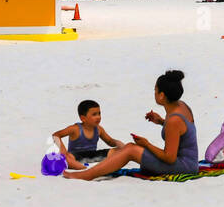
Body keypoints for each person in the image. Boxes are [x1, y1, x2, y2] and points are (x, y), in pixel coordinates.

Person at [65, 70, 197, 180]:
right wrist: (161, 122)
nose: (154, 93)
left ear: (162, 95)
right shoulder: (182, 106)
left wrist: (146, 144)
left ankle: (86, 175)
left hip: (184, 167)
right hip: (189, 162)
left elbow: (169, 158)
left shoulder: (174, 120)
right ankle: (91, 172)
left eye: (155, 90)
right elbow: (182, 132)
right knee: (129, 147)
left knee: (130, 150)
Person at [53, 99, 122, 170]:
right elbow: (56, 135)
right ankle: (75, 165)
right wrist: (63, 150)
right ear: (83, 118)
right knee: (66, 158)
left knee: (119, 151)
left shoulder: (99, 129)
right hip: (76, 156)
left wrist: (117, 143)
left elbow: (109, 141)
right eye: (94, 114)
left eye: (99, 113)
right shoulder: (75, 129)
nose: (98, 117)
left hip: (94, 155)